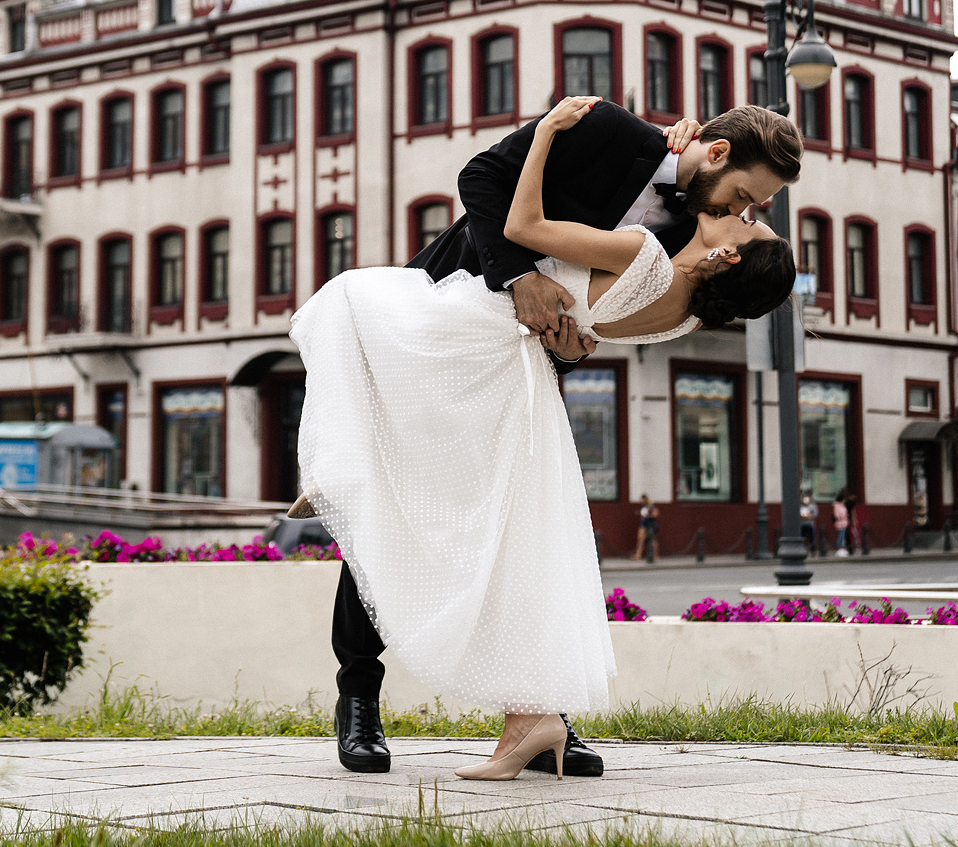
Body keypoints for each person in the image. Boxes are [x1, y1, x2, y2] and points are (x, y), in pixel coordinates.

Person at [296, 98, 799, 780]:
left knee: (516, 541)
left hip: (520, 363)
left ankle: (538, 713)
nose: (743, 211)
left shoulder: (694, 227)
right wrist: (520, 277)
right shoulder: (608, 132)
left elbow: (607, 310)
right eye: (744, 195)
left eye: (753, 207)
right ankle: (359, 700)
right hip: (455, 308)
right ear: (716, 154)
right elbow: (479, 180)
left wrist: (570, 342)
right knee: (389, 514)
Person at [632, 496, 660, 563]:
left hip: (651, 525)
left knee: (653, 541)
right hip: (643, 525)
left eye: (641, 500)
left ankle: (655, 555)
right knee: (640, 540)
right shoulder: (644, 506)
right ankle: (638, 554)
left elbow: (656, 514)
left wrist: (647, 515)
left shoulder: (652, 506)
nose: (640, 501)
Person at [798, 490, 818, 555]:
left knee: (811, 538)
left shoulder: (813, 506)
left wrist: (809, 516)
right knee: (802, 537)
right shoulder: (801, 506)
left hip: (810, 524)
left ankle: (813, 550)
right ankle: (802, 549)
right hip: (802, 524)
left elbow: (815, 514)